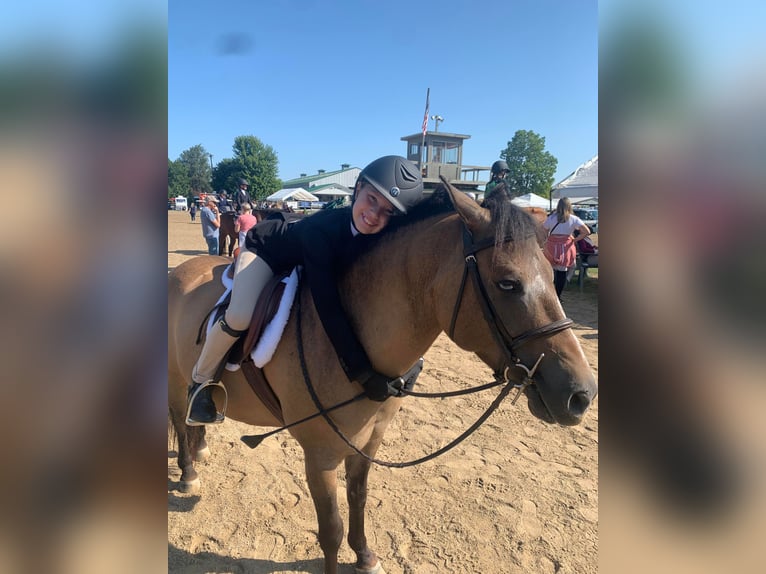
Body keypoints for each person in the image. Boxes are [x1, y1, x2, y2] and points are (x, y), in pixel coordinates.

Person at [187, 155, 424, 425]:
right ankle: (199, 383)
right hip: (268, 251)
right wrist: (362, 373)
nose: (374, 215)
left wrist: (414, 360)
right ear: (358, 189)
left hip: (305, 254)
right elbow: (328, 306)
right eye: (372, 199)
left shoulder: (380, 238)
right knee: (240, 314)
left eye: (388, 211)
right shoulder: (322, 233)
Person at [542, 197, 591, 300]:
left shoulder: (551, 218)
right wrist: (575, 239)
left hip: (551, 246)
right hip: (565, 247)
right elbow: (586, 231)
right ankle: (558, 296)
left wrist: (548, 238)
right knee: (562, 272)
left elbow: (543, 230)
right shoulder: (574, 219)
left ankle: (549, 294)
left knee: (550, 270)